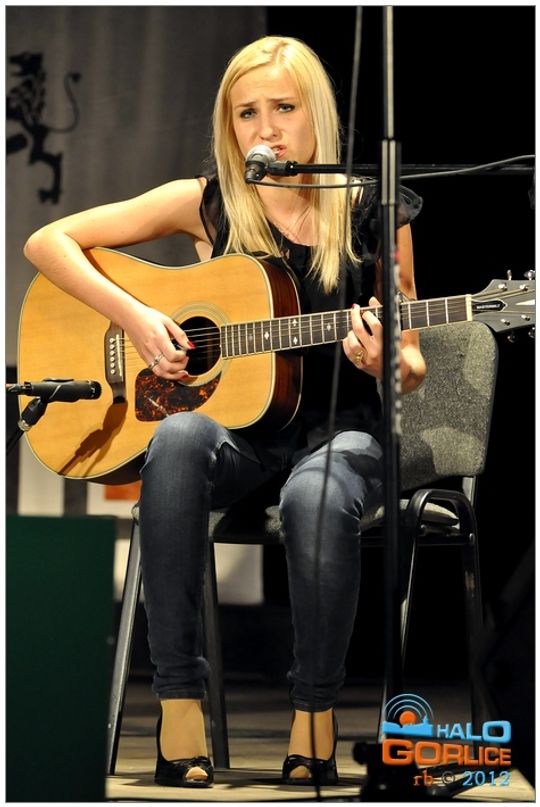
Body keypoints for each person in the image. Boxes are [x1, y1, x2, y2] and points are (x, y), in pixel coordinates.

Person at [23, 35, 426, 788]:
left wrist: (385, 362)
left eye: (284, 108)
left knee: (315, 493)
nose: (266, 128)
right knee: (177, 436)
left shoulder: (373, 208)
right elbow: (49, 241)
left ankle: (315, 713)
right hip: (241, 437)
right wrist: (139, 318)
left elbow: (413, 362)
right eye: (247, 113)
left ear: (317, 114)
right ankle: (178, 703)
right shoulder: (209, 201)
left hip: (342, 433)